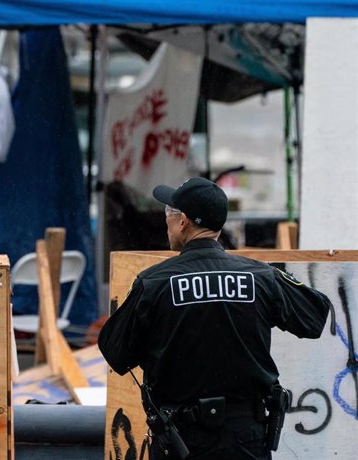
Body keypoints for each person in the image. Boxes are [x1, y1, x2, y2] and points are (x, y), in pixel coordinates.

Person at [98, 177, 332, 460]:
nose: (166, 224)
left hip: (182, 442)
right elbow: (314, 316)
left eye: (168, 216)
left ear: (183, 221)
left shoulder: (155, 282)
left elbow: (115, 351)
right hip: (246, 439)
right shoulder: (260, 277)